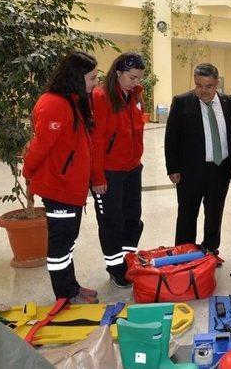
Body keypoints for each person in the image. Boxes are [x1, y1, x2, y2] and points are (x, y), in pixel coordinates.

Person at [22, 51, 100, 303]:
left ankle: (72, 287)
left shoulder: (74, 101)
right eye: (91, 78)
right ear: (76, 77)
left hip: (72, 189)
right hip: (59, 188)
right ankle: (64, 295)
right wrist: (28, 172)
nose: (95, 83)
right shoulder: (54, 104)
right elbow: (39, 146)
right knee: (60, 246)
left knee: (67, 242)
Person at [165, 63, 231, 254]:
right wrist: (172, 168)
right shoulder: (182, 102)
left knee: (214, 215)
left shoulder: (229, 102)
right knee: (187, 215)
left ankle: (210, 250)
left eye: (209, 86)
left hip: (220, 169)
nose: (203, 91)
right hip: (191, 171)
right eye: (198, 85)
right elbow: (171, 137)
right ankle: (183, 253)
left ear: (217, 84)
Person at [90, 52, 146, 288]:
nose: (136, 82)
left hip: (132, 169)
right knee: (112, 223)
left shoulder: (133, 96)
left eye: (139, 78)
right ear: (119, 73)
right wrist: (97, 176)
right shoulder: (101, 97)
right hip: (109, 173)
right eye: (132, 77)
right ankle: (115, 268)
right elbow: (96, 141)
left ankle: (127, 260)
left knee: (133, 219)